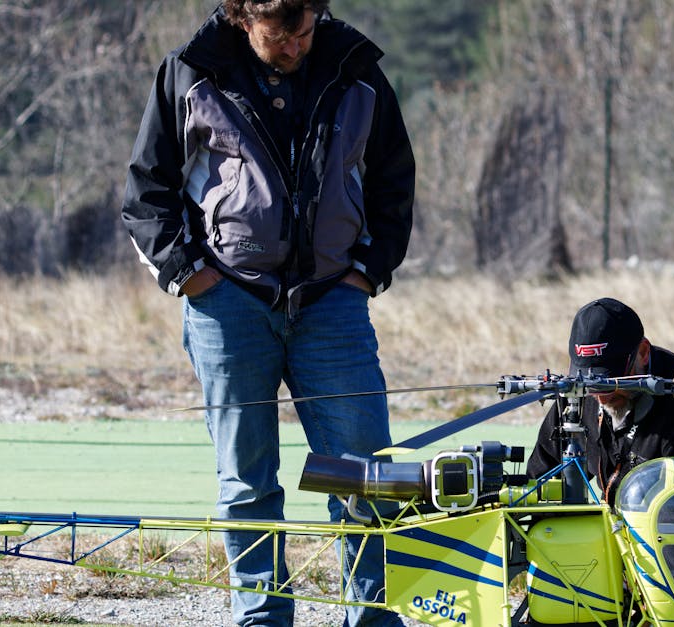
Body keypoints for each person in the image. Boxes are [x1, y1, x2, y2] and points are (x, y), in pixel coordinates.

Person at [121, 1, 413, 625]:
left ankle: (372, 616)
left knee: (364, 474)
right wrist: (188, 275)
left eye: (305, 31)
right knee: (247, 482)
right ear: (241, 18)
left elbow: (394, 179)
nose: (296, 47)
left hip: (334, 300)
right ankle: (262, 616)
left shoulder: (356, 68)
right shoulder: (188, 73)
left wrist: (369, 271)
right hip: (227, 304)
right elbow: (146, 193)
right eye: (279, 36)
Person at [526, 298, 674, 502]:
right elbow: (541, 476)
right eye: (588, 380)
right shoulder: (578, 394)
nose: (600, 395)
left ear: (642, 352)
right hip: (614, 529)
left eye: (611, 379)